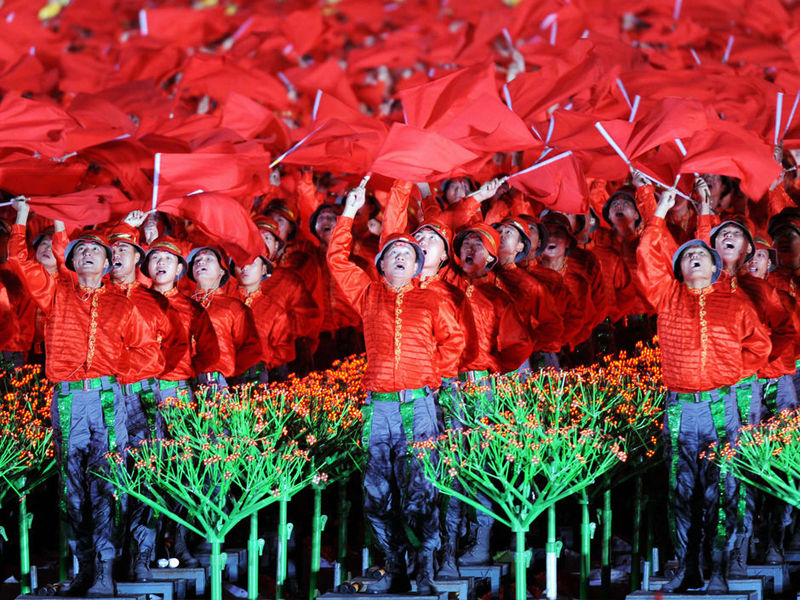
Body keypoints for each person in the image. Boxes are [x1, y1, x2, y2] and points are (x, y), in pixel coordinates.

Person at [7, 199, 163, 596]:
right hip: (68, 402)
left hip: (108, 402)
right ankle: (85, 567)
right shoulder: (55, 293)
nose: (89, 253)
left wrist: (113, 370)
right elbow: (19, 260)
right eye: (81, 250)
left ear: (109, 262)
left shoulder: (122, 304)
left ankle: (107, 569)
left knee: (108, 483)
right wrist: (22, 216)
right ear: (72, 261)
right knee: (71, 489)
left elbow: (151, 355)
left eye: (96, 249)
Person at [328, 185, 465, 593]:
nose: (401, 256)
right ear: (382, 264)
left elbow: (454, 342)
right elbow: (336, 261)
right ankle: (393, 565)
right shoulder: (368, 294)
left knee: (421, 489)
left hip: (418, 407)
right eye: (393, 253)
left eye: (409, 253)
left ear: (419, 264)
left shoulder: (434, 300)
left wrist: (432, 380)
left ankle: (424, 569)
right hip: (379, 409)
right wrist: (348, 213)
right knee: (376, 492)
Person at [636, 188, 771, 593]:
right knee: (680, 491)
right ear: (679, 269)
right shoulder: (667, 296)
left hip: (720, 408)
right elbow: (646, 257)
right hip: (679, 408)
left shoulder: (735, 303)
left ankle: (719, 570)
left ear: (715, 267)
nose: (694, 257)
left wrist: (727, 374)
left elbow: (760, 347)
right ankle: (685, 568)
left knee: (724, 488)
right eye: (687, 256)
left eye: (702, 255)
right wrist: (658, 211)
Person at [107, 219, 188, 581]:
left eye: (124, 249)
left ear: (137, 258)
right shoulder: (94, 298)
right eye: (111, 249)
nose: (116, 255)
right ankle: (105, 562)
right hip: (104, 397)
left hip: (141, 396)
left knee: (146, 475)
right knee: (107, 478)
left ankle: (141, 555)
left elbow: (172, 347)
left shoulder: (152, 300)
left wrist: (148, 372)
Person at [186, 246, 262, 386]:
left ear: (222, 271)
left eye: (209, 259)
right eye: (197, 261)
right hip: (182, 384)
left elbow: (252, 348)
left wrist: (230, 375)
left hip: (218, 383)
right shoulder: (181, 306)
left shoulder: (233, 307)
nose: (201, 262)